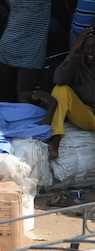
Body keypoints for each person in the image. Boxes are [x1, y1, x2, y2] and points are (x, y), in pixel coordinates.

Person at [42, 25, 95, 157]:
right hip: (87, 115)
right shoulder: (77, 63)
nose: (90, 51)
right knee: (60, 89)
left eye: (94, 46)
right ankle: (56, 139)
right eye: (86, 47)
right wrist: (73, 50)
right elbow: (58, 79)